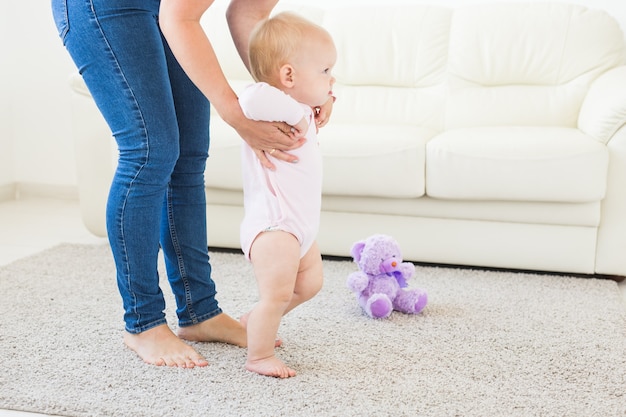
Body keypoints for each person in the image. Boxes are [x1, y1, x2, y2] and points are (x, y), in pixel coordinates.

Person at [51, 0, 335, 368]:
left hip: (166, 8)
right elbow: (179, 16)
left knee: (188, 156)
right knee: (150, 150)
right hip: (105, 6)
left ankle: (199, 312)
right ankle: (143, 322)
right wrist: (237, 114)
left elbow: (247, 13)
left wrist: (300, 94)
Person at [237, 12, 337, 378]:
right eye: (325, 71)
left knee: (310, 284)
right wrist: (302, 108)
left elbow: (306, 99)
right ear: (289, 76)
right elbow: (250, 97)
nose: (332, 79)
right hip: (275, 226)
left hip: (300, 226)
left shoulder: (300, 109)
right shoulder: (277, 107)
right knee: (276, 293)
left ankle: (254, 321)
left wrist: (323, 98)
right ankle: (259, 356)